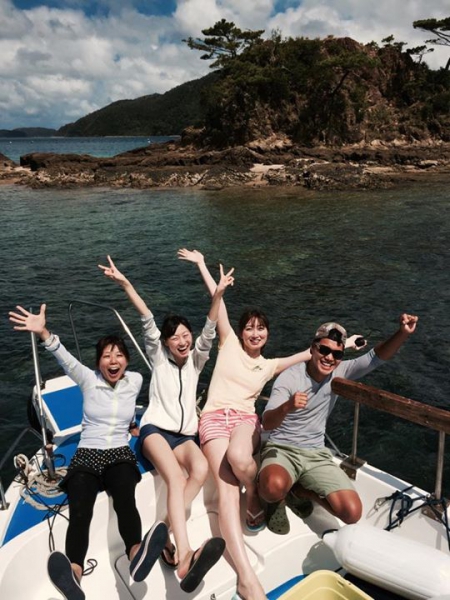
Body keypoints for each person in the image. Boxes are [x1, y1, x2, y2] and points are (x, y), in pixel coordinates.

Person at [177, 249, 362, 600]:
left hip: (247, 419)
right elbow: (219, 306)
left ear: (267, 335)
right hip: (215, 418)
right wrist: (204, 268)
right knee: (227, 488)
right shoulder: (228, 342)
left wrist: (347, 346)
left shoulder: (271, 364)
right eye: (250, 328)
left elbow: (313, 354)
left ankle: (258, 496)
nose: (255, 333)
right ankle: (247, 577)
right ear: (242, 333)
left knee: (242, 460)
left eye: (261, 329)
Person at [9, 303, 168, 600]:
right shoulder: (87, 379)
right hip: (88, 453)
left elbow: (131, 410)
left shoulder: (135, 380)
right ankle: (75, 574)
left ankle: (137, 556)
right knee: (81, 508)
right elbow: (64, 357)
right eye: (107, 355)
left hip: (120, 453)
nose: (113, 360)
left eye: (119, 355)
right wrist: (43, 331)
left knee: (125, 498)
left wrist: (133, 425)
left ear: (127, 361)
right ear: (98, 363)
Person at [99, 255, 234, 593]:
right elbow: (145, 317)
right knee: (176, 476)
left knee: (201, 468)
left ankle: (157, 535)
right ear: (165, 343)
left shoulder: (197, 360)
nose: (184, 341)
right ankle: (185, 553)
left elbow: (210, 326)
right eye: (176, 337)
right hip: (155, 431)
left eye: (186, 335)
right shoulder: (158, 357)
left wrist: (216, 296)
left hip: (185, 435)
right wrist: (126, 283)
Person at [258, 314, 419, 535]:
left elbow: (376, 356)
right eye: (324, 350)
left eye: (336, 354)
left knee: (352, 513)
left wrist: (402, 333)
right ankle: (276, 499)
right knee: (271, 487)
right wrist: (287, 407)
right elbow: (266, 423)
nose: (329, 357)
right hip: (282, 448)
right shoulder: (289, 378)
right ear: (313, 349)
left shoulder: (339, 371)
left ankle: (299, 492)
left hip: (316, 453)